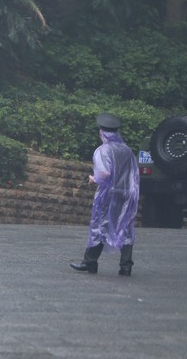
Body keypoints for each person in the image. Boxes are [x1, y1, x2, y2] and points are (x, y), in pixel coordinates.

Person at [70, 112, 140, 276]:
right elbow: (133, 173)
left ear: (102, 132)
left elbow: (104, 173)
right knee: (126, 226)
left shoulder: (103, 150)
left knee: (100, 225)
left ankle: (90, 262)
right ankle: (126, 266)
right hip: (127, 194)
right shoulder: (127, 150)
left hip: (109, 194)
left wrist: (93, 178)